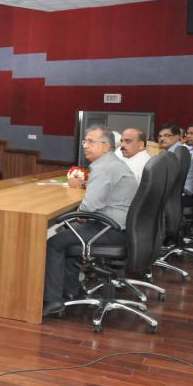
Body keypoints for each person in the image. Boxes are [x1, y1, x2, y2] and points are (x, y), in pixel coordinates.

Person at [42, 124, 137, 318]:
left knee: (54, 242)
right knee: (69, 234)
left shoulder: (104, 168)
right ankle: (71, 291)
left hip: (110, 229)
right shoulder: (111, 163)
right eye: (85, 141)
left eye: (91, 142)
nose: (85, 145)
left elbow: (89, 207)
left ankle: (53, 301)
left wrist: (77, 216)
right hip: (120, 227)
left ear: (106, 146)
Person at [157, 123, 193, 198]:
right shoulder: (173, 151)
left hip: (181, 196)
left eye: (166, 135)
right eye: (160, 136)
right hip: (178, 194)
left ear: (177, 137)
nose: (162, 139)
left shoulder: (177, 153)